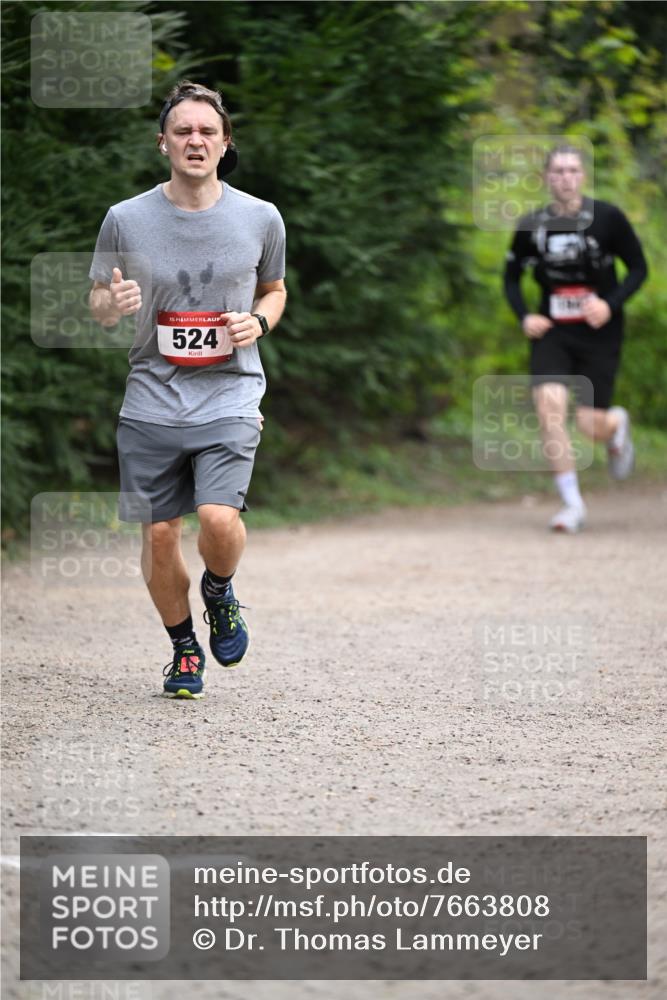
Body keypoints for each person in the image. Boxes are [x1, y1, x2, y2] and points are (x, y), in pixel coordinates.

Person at [89, 80, 287, 697]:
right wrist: (111, 302)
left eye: (207, 131)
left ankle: (220, 590)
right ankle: (183, 650)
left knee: (217, 518)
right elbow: (98, 302)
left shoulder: (260, 217)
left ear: (226, 144)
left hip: (230, 391)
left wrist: (256, 322)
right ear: (163, 144)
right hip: (151, 395)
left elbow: (274, 290)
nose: (194, 140)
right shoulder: (126, 218)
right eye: (183, 131)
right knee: (158, 534)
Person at [503, 144, 648, 533]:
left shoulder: (608, 219)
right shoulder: (531, 225)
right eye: (557, 171)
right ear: (546, 178)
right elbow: (511, 277)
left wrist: (610, 304)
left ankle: (615, 425)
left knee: (589, 425)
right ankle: (572, 504)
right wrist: (525, 316)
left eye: (572, 170)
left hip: (600, 332)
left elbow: (638, 268)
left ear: (583, 176)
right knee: (548, 405)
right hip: (553, 331)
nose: (565, 178)